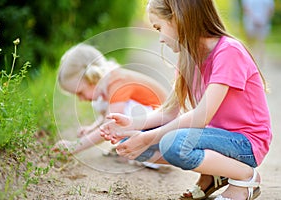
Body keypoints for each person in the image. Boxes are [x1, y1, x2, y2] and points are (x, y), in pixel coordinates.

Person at [100, 0, 272, 199]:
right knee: (128, 140)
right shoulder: (188, 58)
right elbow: (169, 111)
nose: (161, 39)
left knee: (174, 144)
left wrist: (147, 138)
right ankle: (212, 176)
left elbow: (201, 117)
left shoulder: (228, 51)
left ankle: (245, 178)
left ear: (179, 20)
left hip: (246, 143)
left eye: (159, 28)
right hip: (215, 137)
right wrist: (132, 124)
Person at [52, 43, 168, 169]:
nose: (80, 99)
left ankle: (151, 153)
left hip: (164, 129)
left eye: (80, 92)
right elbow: (107, 115)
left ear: (93, 77)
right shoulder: (109, 81)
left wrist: (75, 146)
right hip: (156, 126)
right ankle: (135, 147)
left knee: (117, 120)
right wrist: (92, 128)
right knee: (111, 111)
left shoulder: (117, 82)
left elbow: (110, 125)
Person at [241, 0, 275, 66]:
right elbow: (270, 10)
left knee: (253, 42)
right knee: (259, 41)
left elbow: (246, 8)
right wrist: (263, 19)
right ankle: (258, 61)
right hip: (262, 22)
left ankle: (252, 60)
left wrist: (255, 19)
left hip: (252, 22)